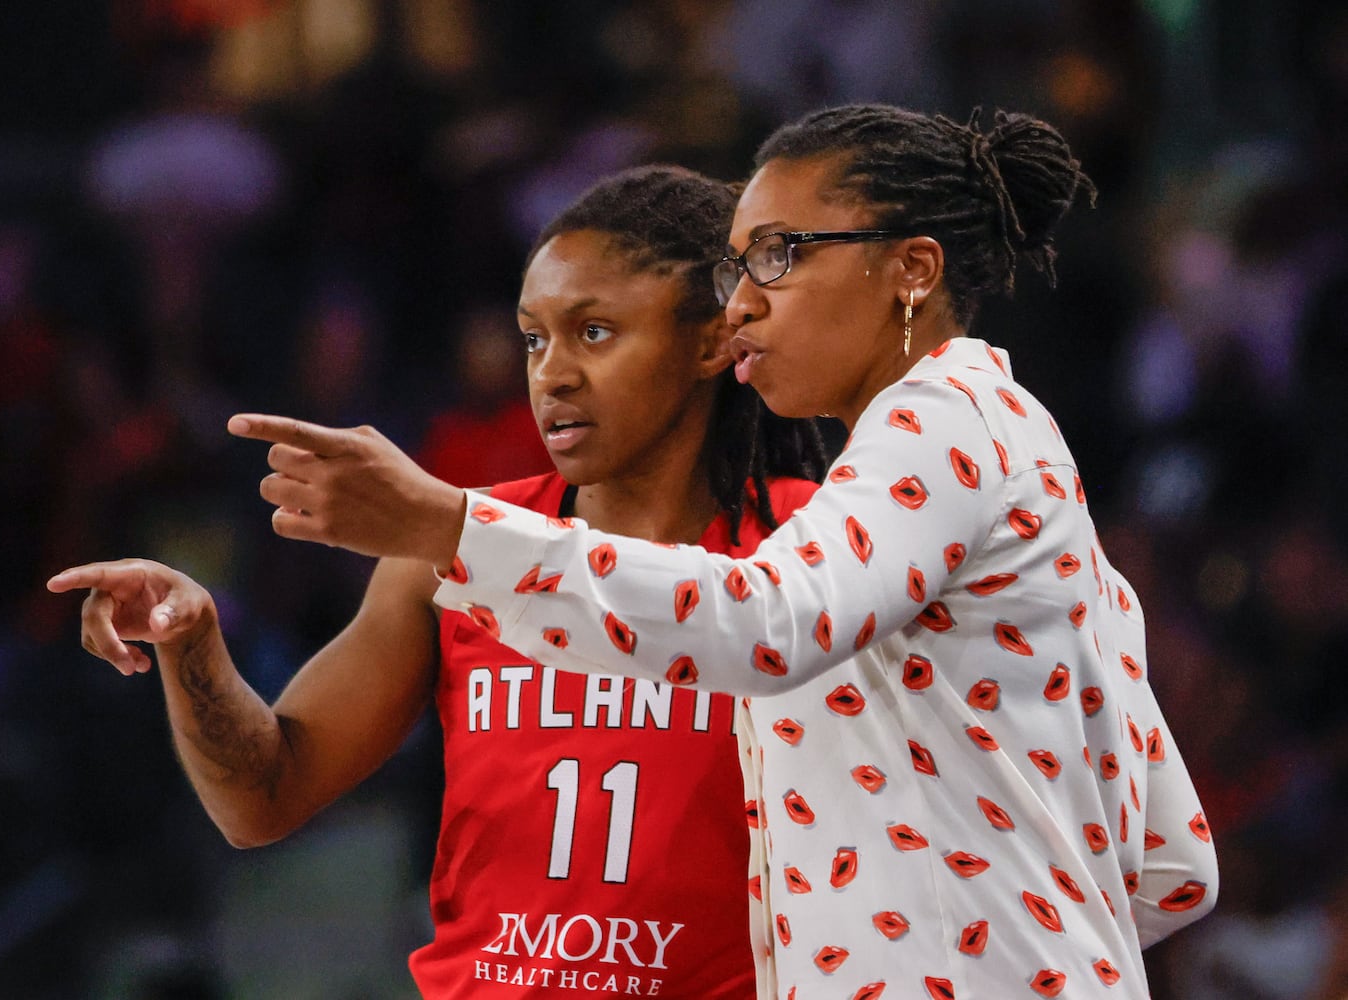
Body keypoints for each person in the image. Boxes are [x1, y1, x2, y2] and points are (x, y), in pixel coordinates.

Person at [227, 105, 1219, 998]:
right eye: (739, 263)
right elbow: (1173, 857)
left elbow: (763, 622)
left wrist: (448, 527)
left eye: (780, 254)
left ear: (912, 271)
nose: (742, 301)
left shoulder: (941, 422)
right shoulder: (982, 452)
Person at [49, 164, 827, 997]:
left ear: (713, 341)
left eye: (594, 332)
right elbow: (261, 796)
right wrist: (194, 644)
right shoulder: (444, 563)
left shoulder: (819, 549)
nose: (551, 374)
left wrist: (447, 524)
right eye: (535, 337)